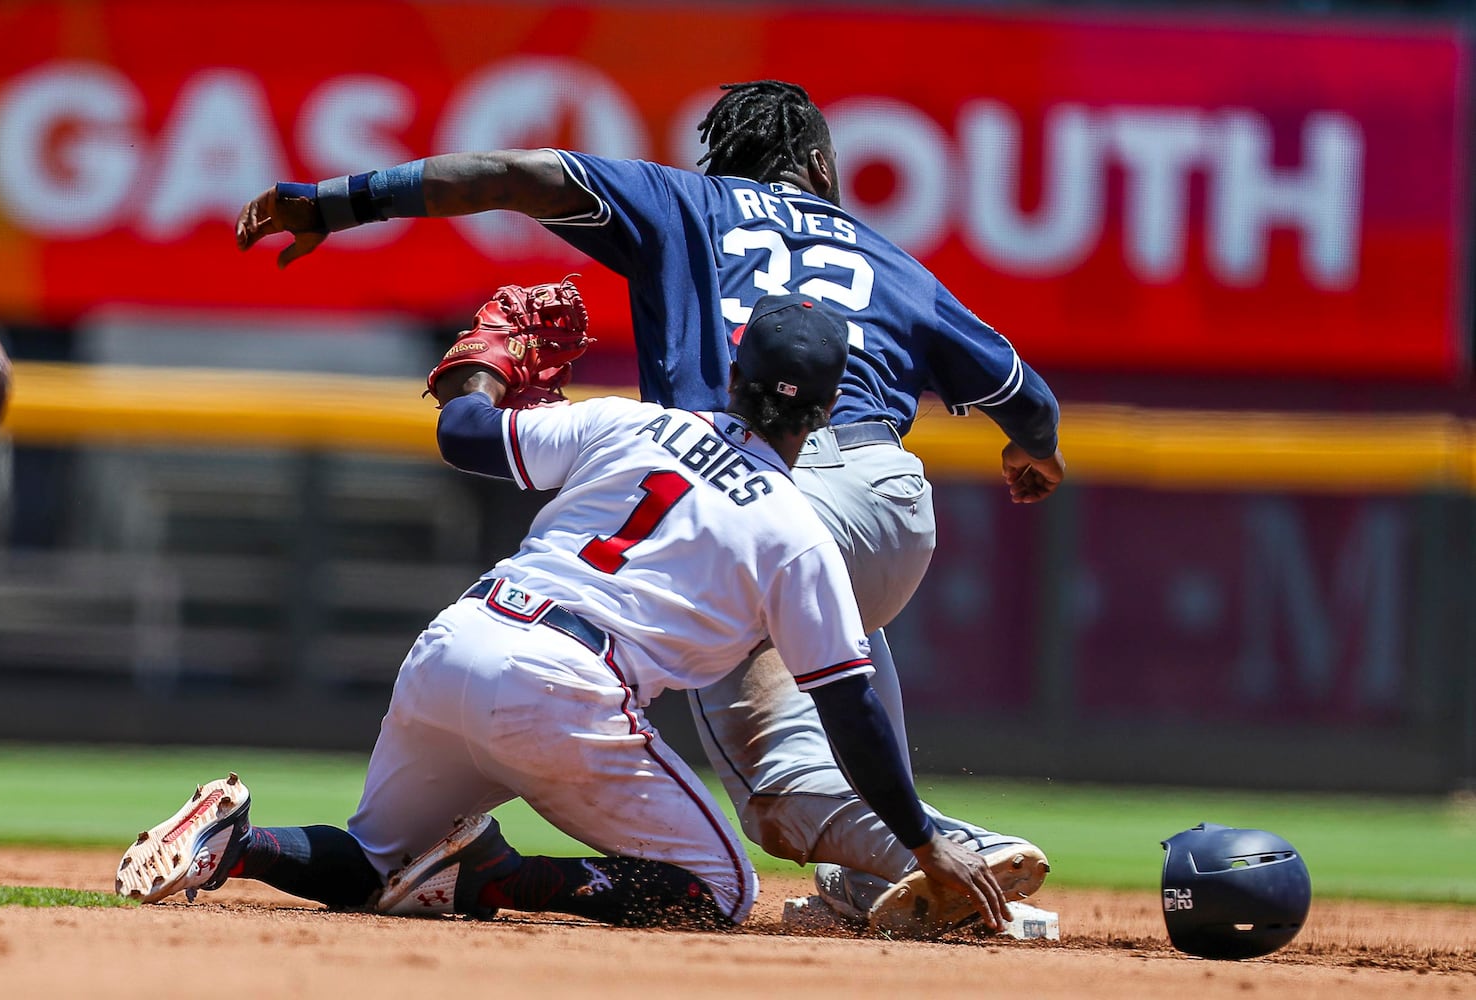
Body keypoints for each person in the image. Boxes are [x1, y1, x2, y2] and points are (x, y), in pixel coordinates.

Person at [235, 79, 1064, 929]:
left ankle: (932, 848)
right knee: (833, 638)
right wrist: (1033, 455)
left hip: (759, 498)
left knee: (774, 780)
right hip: (889, 504)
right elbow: (1027, 400)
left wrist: (336, 204)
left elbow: (506, 174)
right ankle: (882, 875)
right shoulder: (894, 262)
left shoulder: (684, 203)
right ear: (819, 163)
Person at [116, 287, 1044, 934]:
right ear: (832, 405)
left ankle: (238, 846)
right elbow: (850, 710)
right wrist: (923, 842)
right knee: (721, 890)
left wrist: (480, 367)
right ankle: (498, 873)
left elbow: (464, 433)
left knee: (372, 860)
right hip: (569, 689)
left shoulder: (635, 422)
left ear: (733, 368)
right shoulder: (797, 534)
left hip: (461, 638)